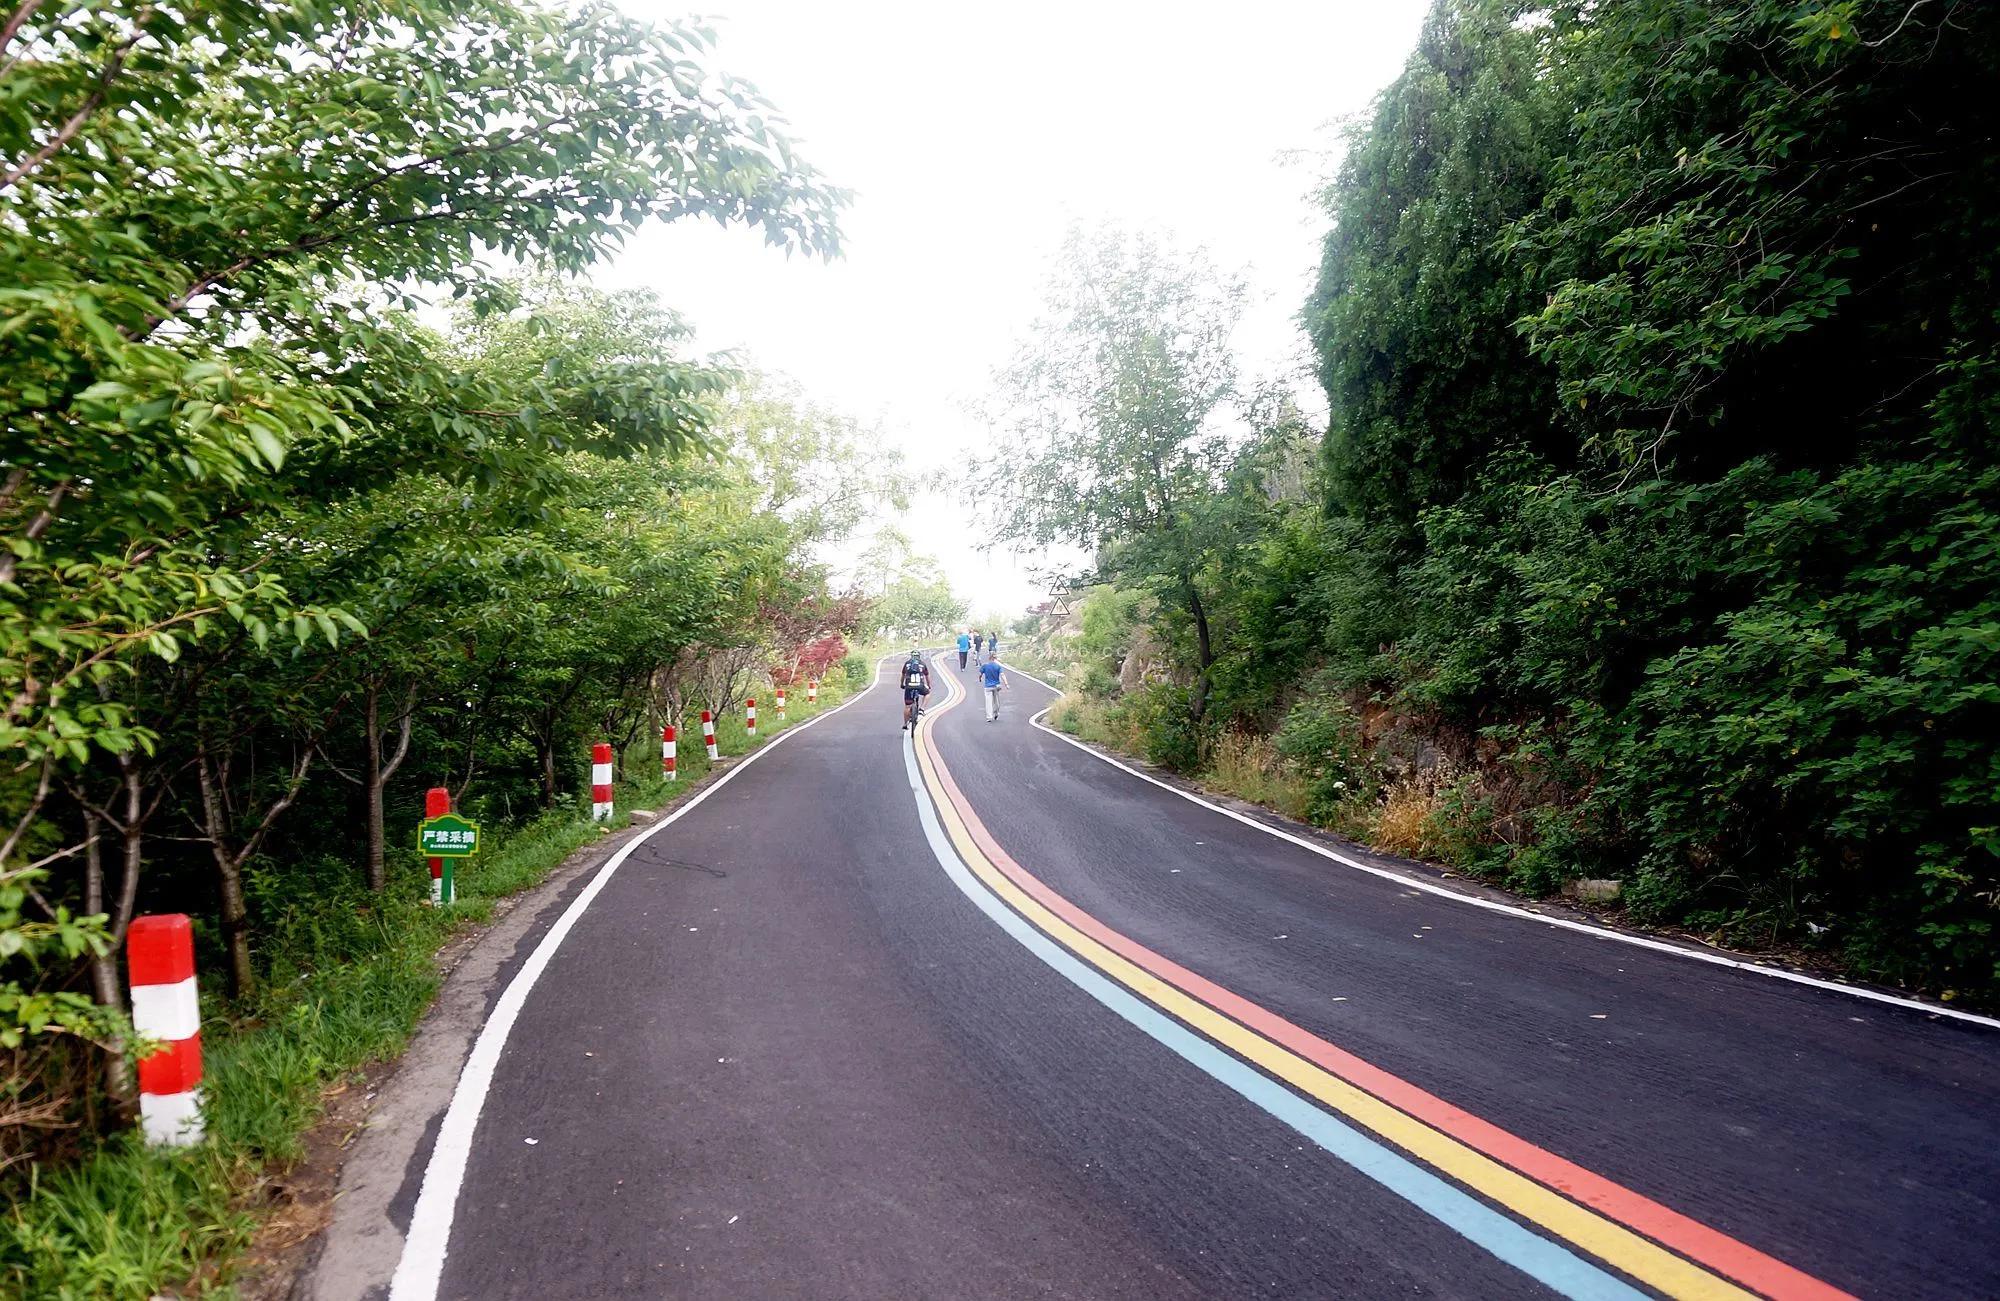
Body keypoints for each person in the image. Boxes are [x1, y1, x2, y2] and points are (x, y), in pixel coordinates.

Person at [900, 648, 932, 731]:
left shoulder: (907, 664)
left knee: (907, 706)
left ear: (911, 656)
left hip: (909, 687)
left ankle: (905, 724)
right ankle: (922, 709)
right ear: (919, 656)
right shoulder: (922, 664)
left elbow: (903, 675)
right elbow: (927, 676)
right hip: (920, 686)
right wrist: (929, 685)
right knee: (927, 693)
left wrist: (902, 684)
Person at [978, 653, 1008, 722]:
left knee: (988, 702)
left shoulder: (985, 666)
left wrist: (980, 679)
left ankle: (989, 717)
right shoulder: (998, 666)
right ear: (995, 659)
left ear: (989, 658)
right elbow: (1002, 675)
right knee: (996, 700)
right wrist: (1006, 684)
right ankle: (996, 712)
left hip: (988, 686)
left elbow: (980, 674)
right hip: (996, 686)